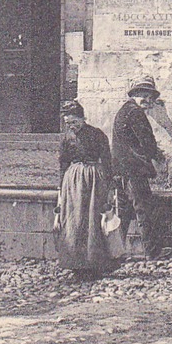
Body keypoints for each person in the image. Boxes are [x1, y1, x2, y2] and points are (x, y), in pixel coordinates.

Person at [55, 100, 115, 276]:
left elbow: (106, 160)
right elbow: (63, 163)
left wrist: (109, 183)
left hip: (93, 179)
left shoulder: (97, 135)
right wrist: (61, 187)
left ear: (83, 118)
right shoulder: (66, 138)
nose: (72, 126)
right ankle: (75, 262)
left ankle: (95, 262)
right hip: (72, 181)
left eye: (75, 122)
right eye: (68, 123)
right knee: (74, 219)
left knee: (93, 218)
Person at [112, 75, 165, 259]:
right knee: (144, 210)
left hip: (120, 170)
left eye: (151, 97)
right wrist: (157, 156)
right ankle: (152, 252)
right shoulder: (135, 113)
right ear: (135, 94)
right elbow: (146, 140)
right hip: (133, 170)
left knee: (123, 213)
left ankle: (115, 251)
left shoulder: (124, 110)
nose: (148, 100)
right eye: (144, 95)